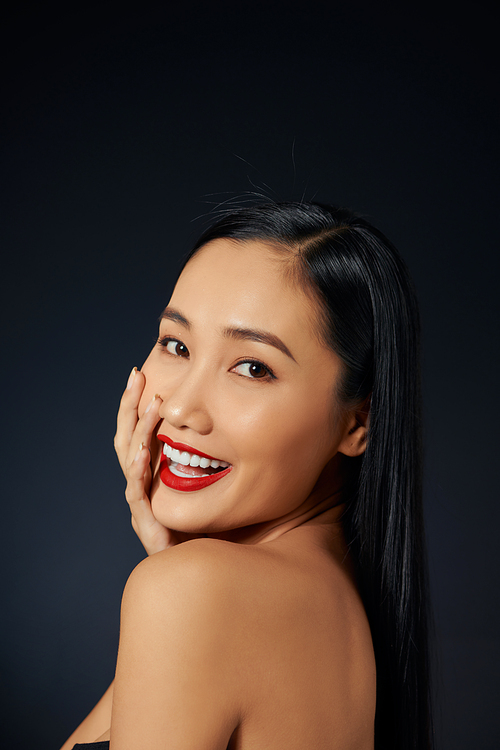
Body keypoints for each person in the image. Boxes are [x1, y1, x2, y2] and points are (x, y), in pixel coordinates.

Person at [60, 201, 433, 750]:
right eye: (176, 345)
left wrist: (179, 583)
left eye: (253, 367)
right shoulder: (338, 606)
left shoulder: (196, 594)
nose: (182, 407)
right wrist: (177, 565)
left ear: (359, 423)